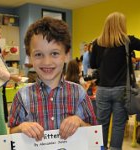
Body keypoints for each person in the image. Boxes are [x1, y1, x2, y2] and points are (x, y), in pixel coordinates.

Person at [8, 17, 97, 141]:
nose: (47, 62)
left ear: (66, 55)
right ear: (30, 57)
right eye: (38, 54)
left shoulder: (79, 93)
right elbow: (12, 132)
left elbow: (94, 133)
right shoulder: (21, 96)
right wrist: (22, 127)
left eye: (54, 53)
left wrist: (79, 122)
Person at [90, 12, 140, 150]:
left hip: (103, 90)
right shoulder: (128, 41)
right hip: (121, 90)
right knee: (118, 125)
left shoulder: (96, 43)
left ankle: (100, 148)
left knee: (102, 124)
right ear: (121, 25)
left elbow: (93, 65)